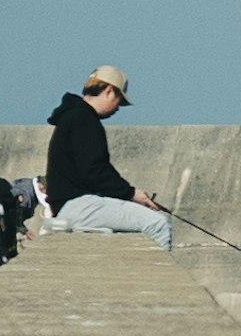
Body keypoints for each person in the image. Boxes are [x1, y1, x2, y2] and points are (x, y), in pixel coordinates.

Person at [43, 64, 173, 249]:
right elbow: (95, 171)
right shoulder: (84, 119)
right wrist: (132, 194)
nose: (118, 108)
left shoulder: (72, 116)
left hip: (68, 206)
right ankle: (154, 278)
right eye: (119, 100)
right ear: (110, 91)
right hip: (78, 205)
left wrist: (128, 195)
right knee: (158, 224)